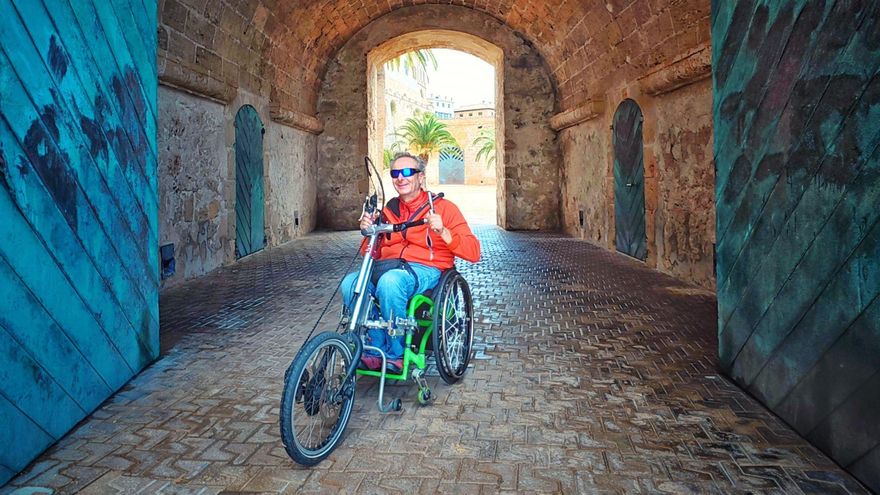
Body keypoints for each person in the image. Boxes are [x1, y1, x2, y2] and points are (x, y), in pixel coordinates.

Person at [341, 152, 481, 373]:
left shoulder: (443, 208)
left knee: (390, 282)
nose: (401, 178)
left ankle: (395, 353)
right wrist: (369, 232)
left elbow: (474, 252)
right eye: (395, 173)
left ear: (421, 177)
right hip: (388, 266)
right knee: (350, 284)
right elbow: (369, 254)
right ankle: (375, 348)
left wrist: (444, 232)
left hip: (426, 269)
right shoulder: (389, 211)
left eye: (407, 172)